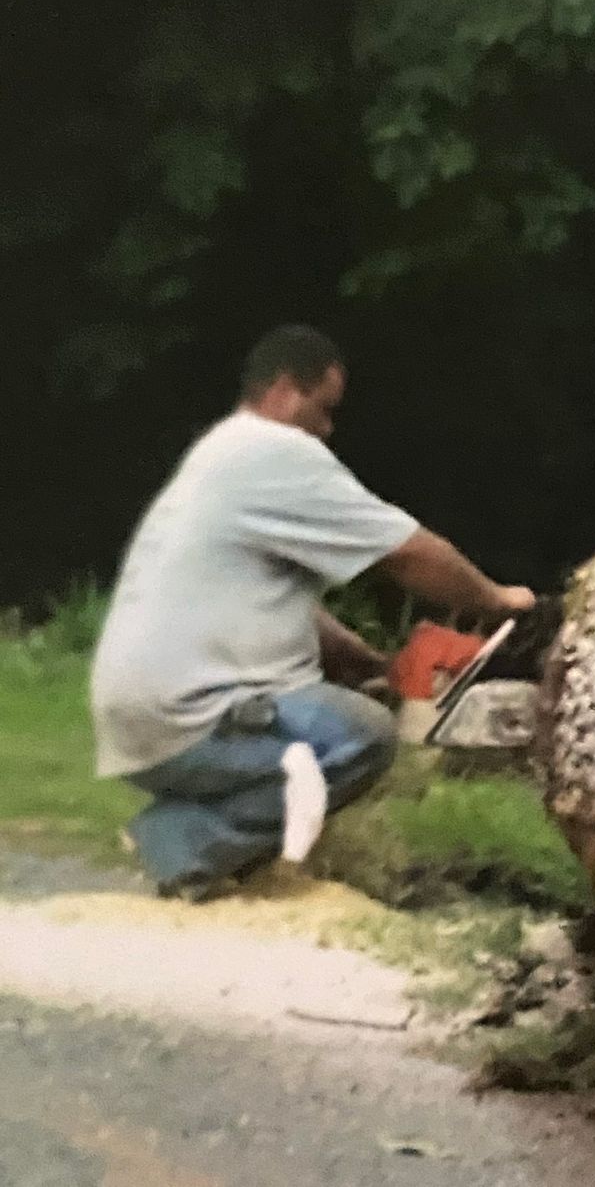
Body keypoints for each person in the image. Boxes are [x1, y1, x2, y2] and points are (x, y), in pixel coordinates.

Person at [90, 324, 535, 900]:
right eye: (324, 411)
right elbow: (406, 551)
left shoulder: (220, 455)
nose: (327, 430)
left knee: (347, 716)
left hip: (145, 714)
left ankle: (202, 835)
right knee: (363, 737)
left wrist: (370, 664)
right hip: (193, 715)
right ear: (283, 390)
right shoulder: (274, 452)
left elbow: (293, 609)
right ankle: (178, 842)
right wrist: (498, 600)